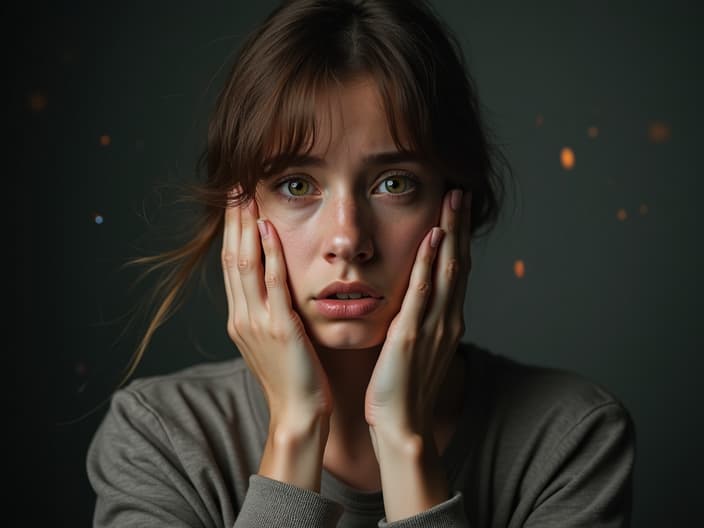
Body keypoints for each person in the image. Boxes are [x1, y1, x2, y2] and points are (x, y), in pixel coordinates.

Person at [86, 0, 636, 526]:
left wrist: (405, 441)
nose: (347, 239)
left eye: (394, 183)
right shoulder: (160, 437)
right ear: (239, 212)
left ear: (457, 207)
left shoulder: (570, 437)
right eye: (296, 184)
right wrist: (297, 430)